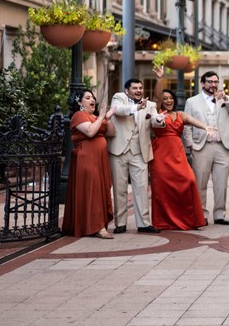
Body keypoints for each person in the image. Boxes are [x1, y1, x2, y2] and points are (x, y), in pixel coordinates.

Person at [183, 71, 229, 224]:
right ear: (203, 83)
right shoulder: (192, 101)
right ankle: (201, 214)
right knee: (201, 183)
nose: (213, 85)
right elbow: (187, 126)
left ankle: (219, 215)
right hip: (201, 146)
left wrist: (226, 99)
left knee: (221, 182)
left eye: (216, 81)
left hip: (222, 146)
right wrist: (190, 144)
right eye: (210, 82)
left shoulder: (223, 100)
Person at [150, 84, 216, 230]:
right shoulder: (156, 113)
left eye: (170, 98)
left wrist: (205, 127)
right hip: (161, 154)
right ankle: (162, 221)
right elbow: (156, 97)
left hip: (178, 154)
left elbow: (193, 121)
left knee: (189, 181)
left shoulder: (180, 115)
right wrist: (160, 79)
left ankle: (191, 219)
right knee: (162, 187)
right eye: (165, 98)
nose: (168, 101)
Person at [108, 77, 164, 234]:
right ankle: (120, 223)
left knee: (141, 187)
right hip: (118, 150)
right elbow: (118, 111)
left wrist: (159, 120)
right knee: (120, 188)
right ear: (127, 90)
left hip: (139, 151)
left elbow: (154, 119)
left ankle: (144, 223)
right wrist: (136, 108)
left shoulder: (150, 105)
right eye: (135, 88)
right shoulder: (118, 98)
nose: (139, 90)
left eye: (140, 88)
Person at [62, 89, 116, 239]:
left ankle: (95, 224)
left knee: (100, 189)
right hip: (86, 158)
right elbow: (91, 132)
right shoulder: (79, 116)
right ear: (79, 102)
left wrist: (108, 119)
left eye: (93, 97)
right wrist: (101, 118)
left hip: (99, 159)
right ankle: (97, 227)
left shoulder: (95, 116)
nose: (92, 100)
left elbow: (111, 133)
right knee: (92, 190)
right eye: (87, 98)